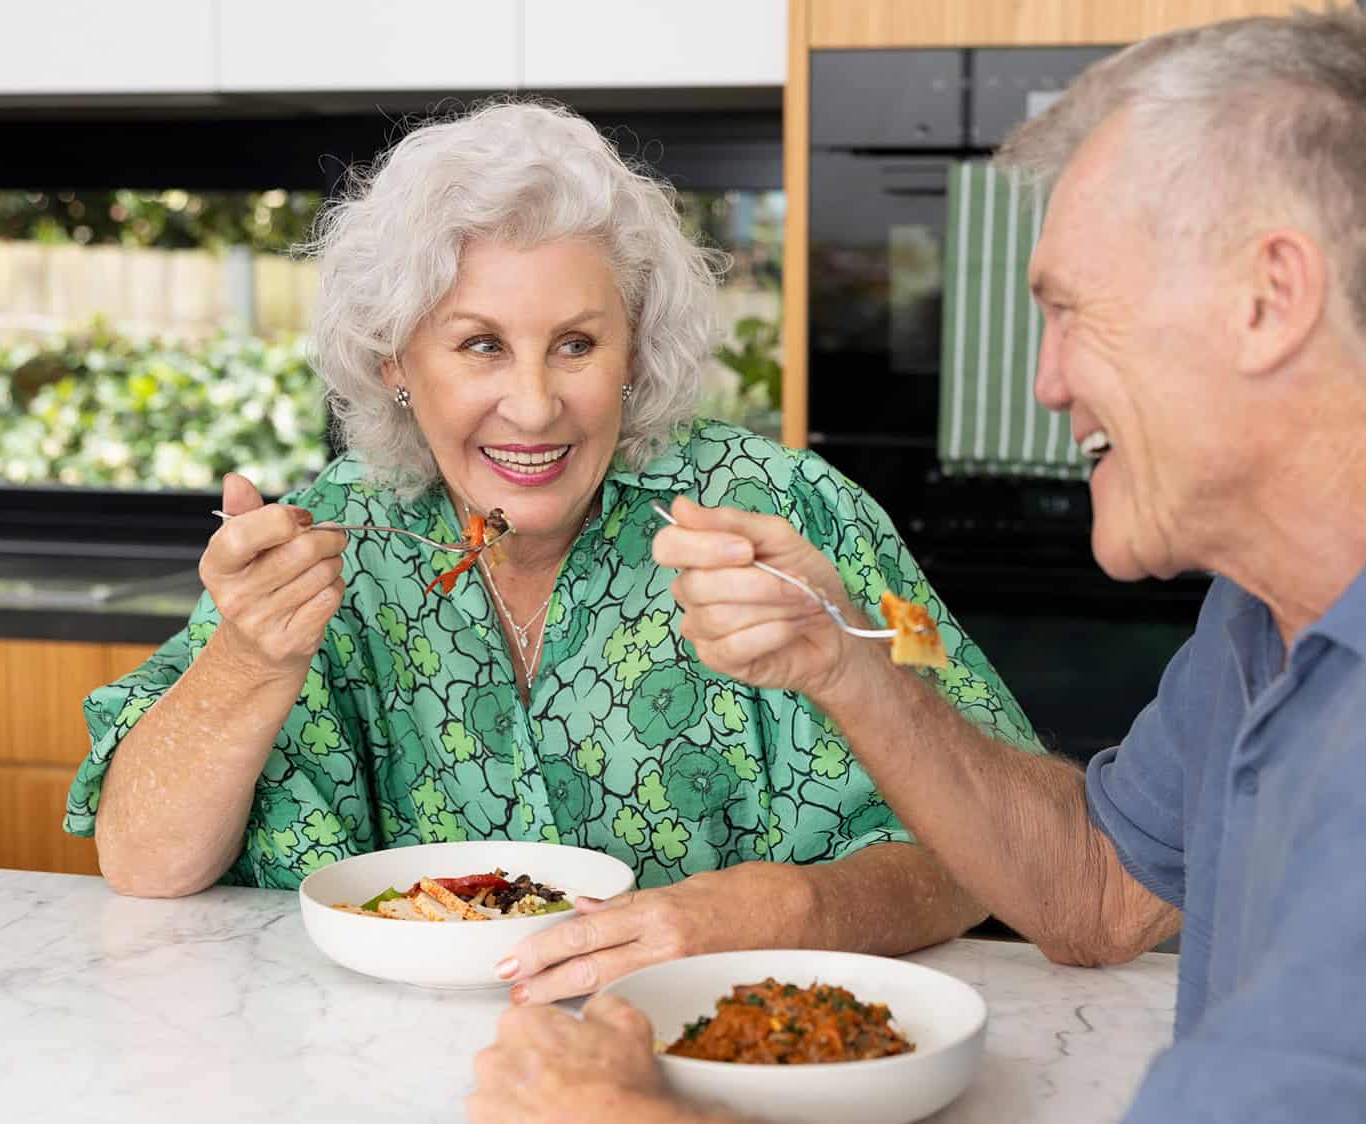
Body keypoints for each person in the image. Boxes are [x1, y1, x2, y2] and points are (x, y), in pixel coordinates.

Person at [471, 11, 1366, 1122]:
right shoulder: (1288, 606)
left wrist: (609, 1116)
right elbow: (1095, 893)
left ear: (1268, 297)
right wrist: (846, 666)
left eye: (1068, 310)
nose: (1048, 381)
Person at [66, 101, 1046, 1005]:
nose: (534, 406)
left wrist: (776, 912)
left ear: (637, 345)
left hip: (725, 1065)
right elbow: (145, 861)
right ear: (393, 360)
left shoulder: (784, 514)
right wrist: (249, 661)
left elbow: (1001, 846)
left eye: (575, 343)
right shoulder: (327, 538)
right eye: (480, 345)